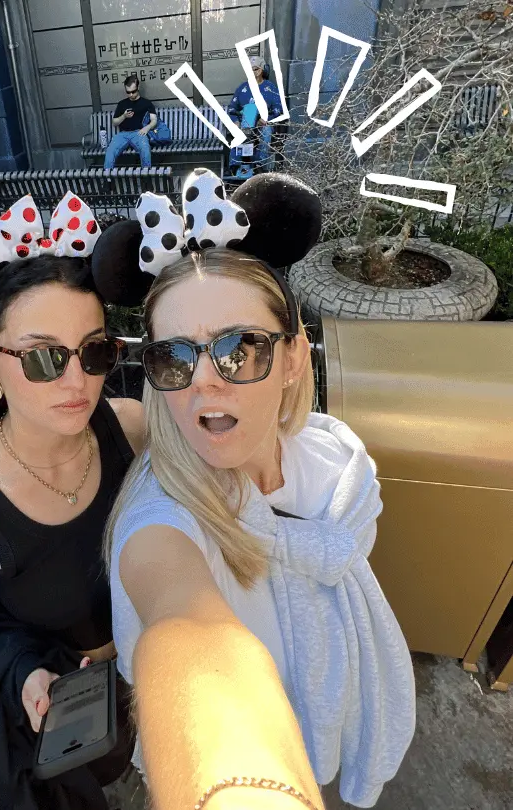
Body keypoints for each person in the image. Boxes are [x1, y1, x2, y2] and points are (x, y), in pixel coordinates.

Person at [92, 169, 416, 808]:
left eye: (239, 349)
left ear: (295, 357)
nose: (204, 382)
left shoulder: (330, 460)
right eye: (174, 358)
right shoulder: (159, 520)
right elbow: (185, 627)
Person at [0, 191, 146, 810]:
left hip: (153, 689)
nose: (77, 380)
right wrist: (22, 676)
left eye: (95, 351)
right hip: (60, 736)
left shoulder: (130, 427)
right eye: (43, 357)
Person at [228, 55, 282, 174]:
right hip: (244, 123)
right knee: (237, 134)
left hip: (262, 124)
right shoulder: (242, 88)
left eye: (256, 69)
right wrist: (235, 121)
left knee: (267, 130)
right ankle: (235, 166)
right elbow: (232, 108)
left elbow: (279, 108)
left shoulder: (270, 87)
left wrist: (266, 119)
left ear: (263, 69)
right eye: (251, 69)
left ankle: (260, 164)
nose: (253, 72)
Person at [104, 75, 157, 170]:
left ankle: (146, 179)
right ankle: (107, 181)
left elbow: (154, 120)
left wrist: (147, 127)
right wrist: (124, 116)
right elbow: (114, 122)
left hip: (139, 133)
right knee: (110, 151)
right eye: (128, 92)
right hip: (123, 134)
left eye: (133, 91)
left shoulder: (147, 103)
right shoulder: (122, 104)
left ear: (138, 87)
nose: (131, 94)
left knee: (145, 150)